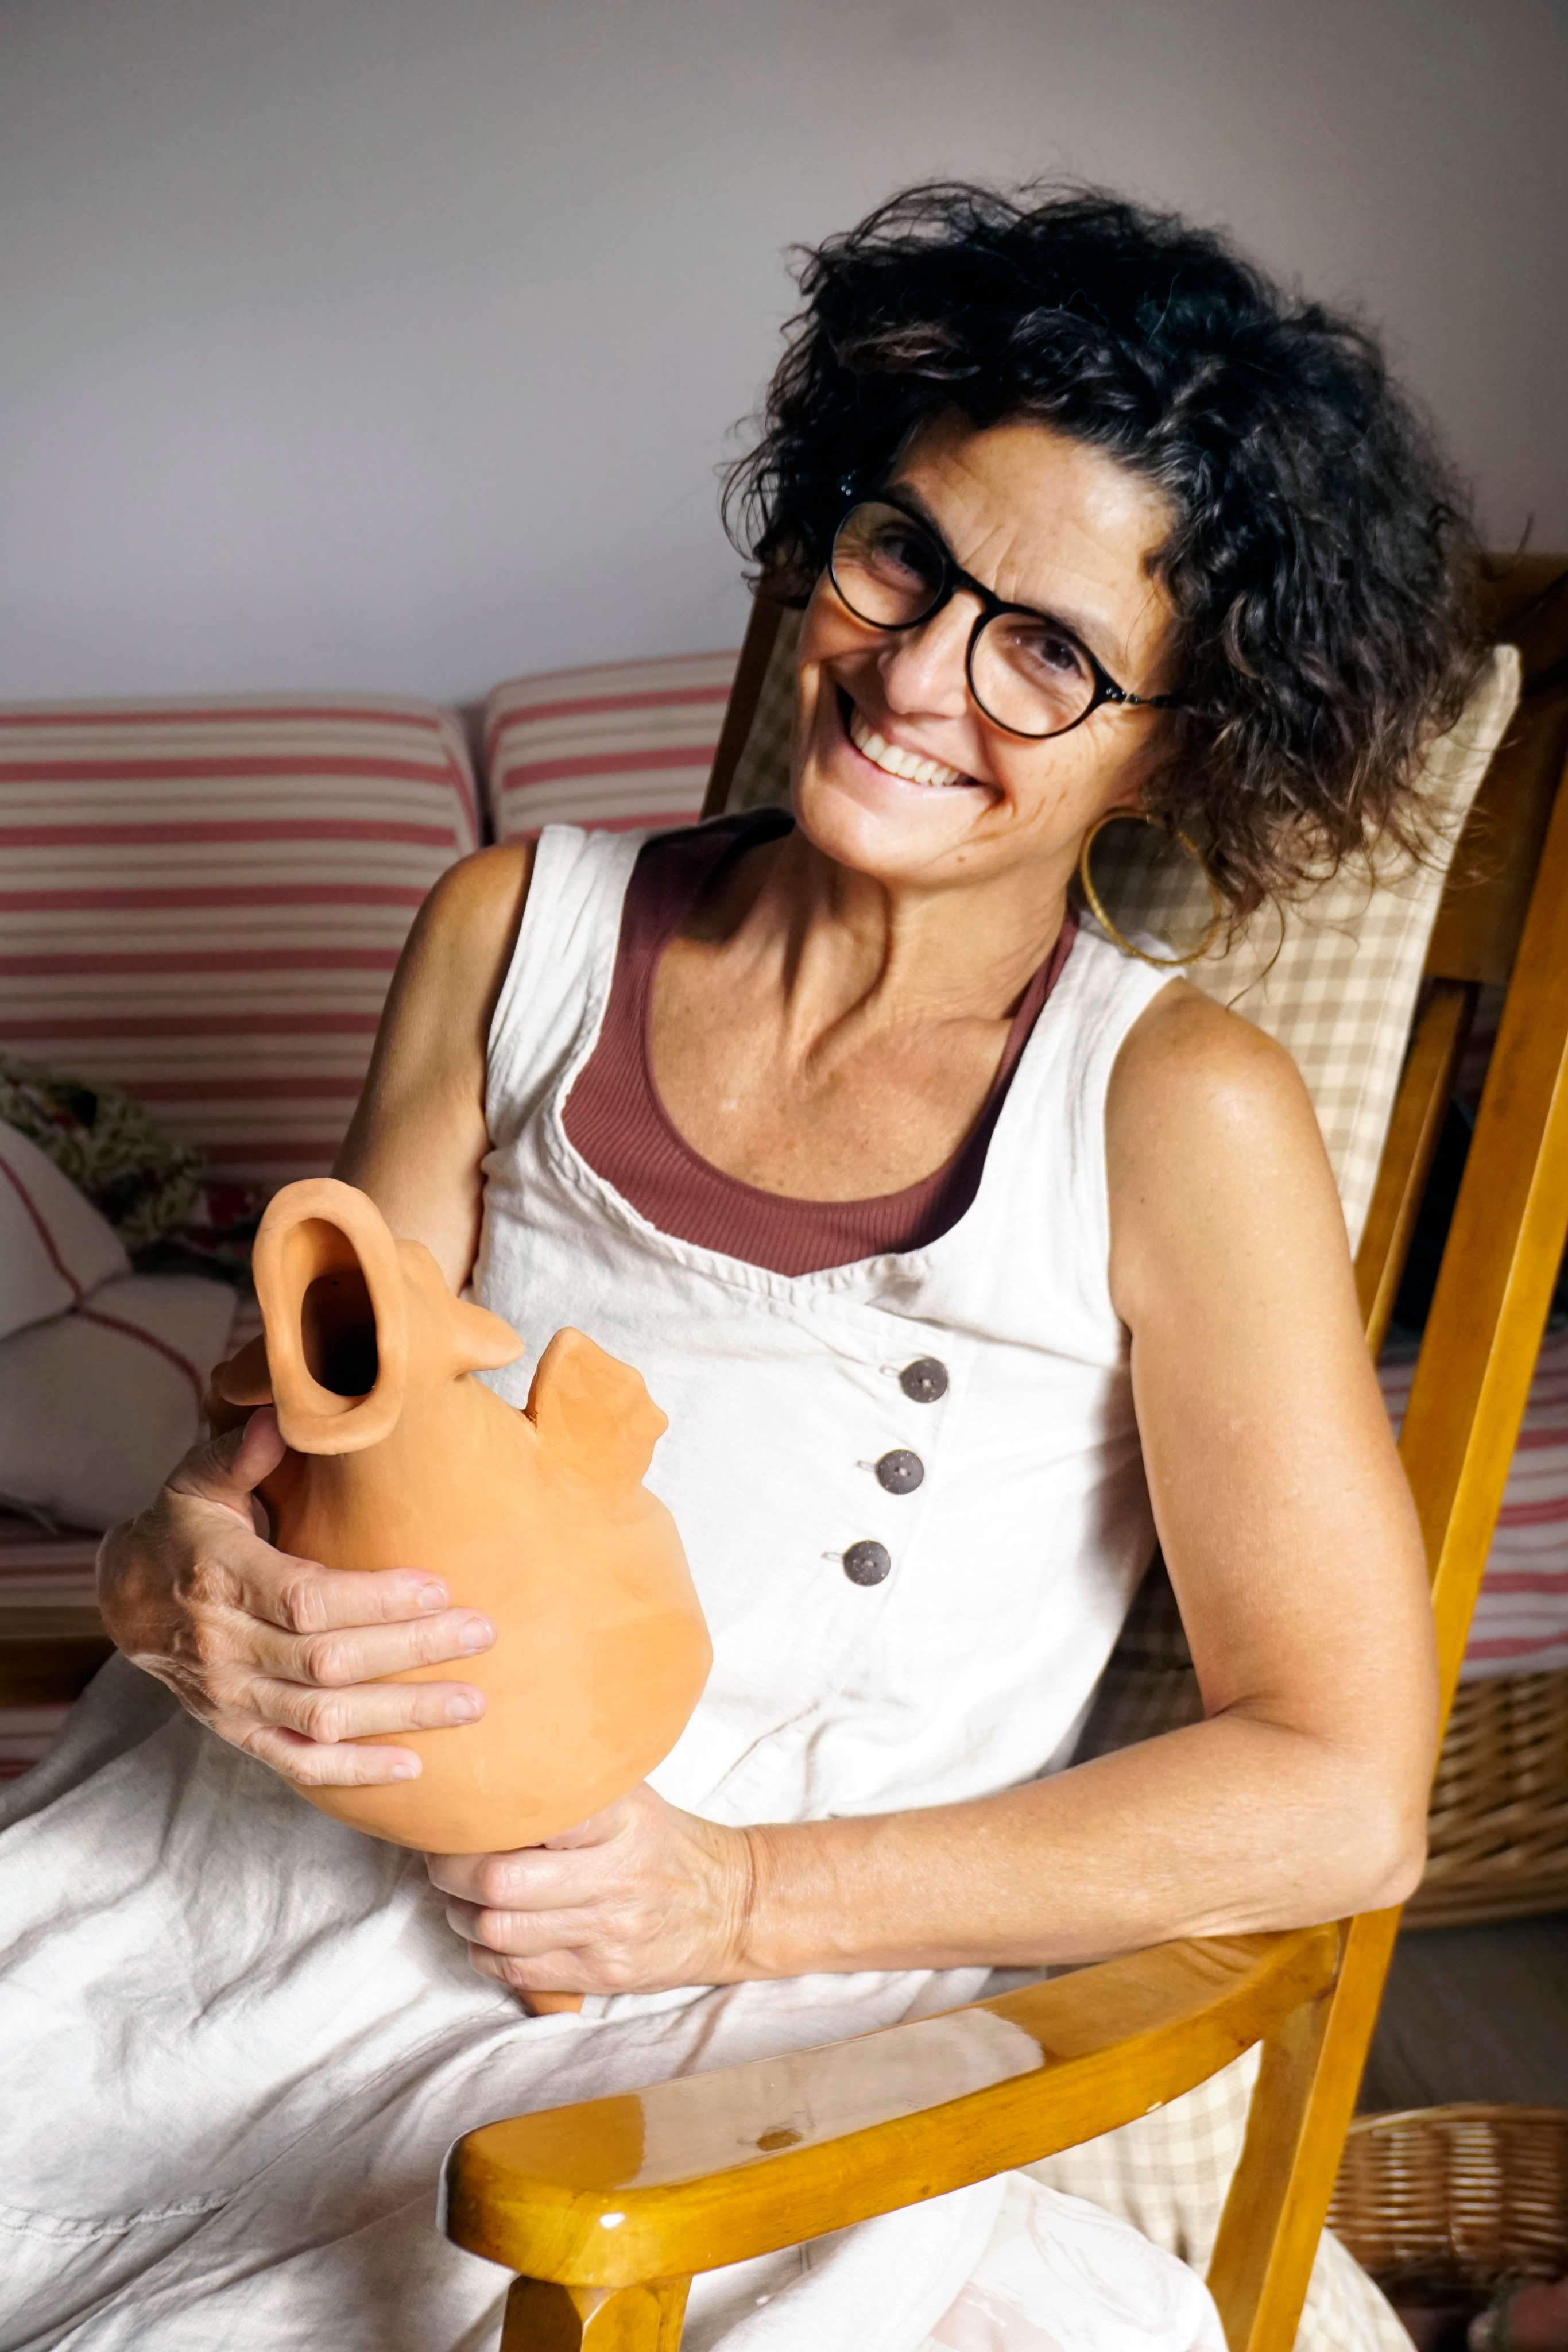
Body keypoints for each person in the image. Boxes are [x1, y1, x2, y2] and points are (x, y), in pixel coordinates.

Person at [1, 183, 1481, 2351]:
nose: (917, 674)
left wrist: (735, 1898)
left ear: (1177, 738)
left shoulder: (1172, 1112)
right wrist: (167, 1579)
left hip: (680, 2021)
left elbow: (1341, 1795)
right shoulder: (511, 930)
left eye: (1048, 652)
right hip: (209, 1893)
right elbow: (296, 1437)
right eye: (903, 557)